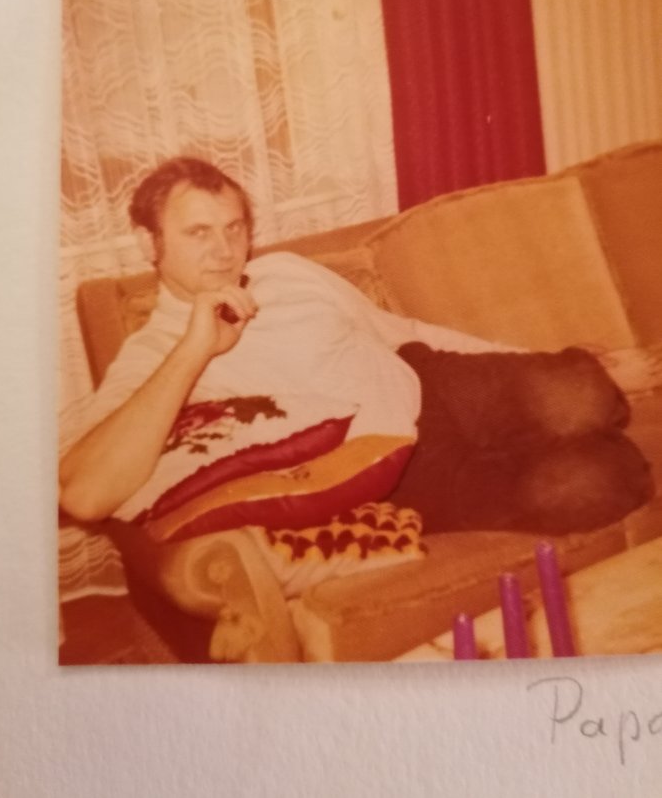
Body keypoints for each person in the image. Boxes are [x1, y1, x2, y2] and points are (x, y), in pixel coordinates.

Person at [59, 157, 656, 659]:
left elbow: (401, 330)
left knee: (582, 391)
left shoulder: (284, 273)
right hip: (404, 478)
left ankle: (576, 397)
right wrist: (195, 349)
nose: (223, 251)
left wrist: (555, 366)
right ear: (150, 243)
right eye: (198, 233)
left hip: (432, 383)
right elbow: (85, 495)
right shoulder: (153, 355)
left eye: (234, 228)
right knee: (604, 481)